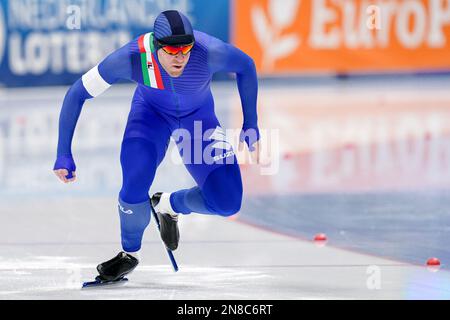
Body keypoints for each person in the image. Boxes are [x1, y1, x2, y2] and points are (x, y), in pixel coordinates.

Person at [53, 10, 260, 282]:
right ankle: (129, 254)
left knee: (227, 202)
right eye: (173, 50)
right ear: (156, 45)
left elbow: (246, 65)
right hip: (150, 116)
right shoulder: (131, 58)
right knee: (135, 180)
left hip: (198, 120)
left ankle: (169, 205)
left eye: (186, 48)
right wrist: (63, 153)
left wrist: (251, 121)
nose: (181, 57)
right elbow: (77, 93)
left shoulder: (208, 50)